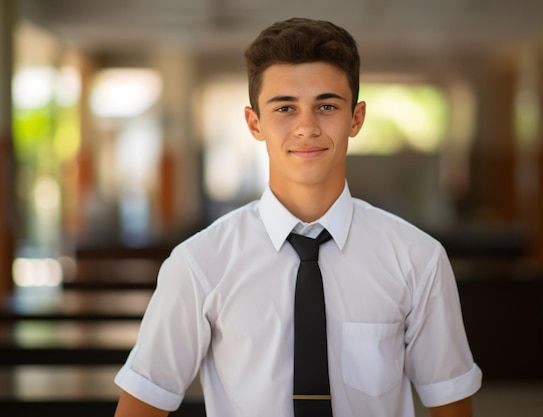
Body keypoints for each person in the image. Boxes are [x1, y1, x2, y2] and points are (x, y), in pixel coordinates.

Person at [113, 17, 482, 417]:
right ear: (255, 123)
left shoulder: (418, 258)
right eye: (285, 108)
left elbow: (450, 404)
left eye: (326, 106)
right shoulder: (199, 263)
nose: (306, 127)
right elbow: (142, 405)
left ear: (356, 118)